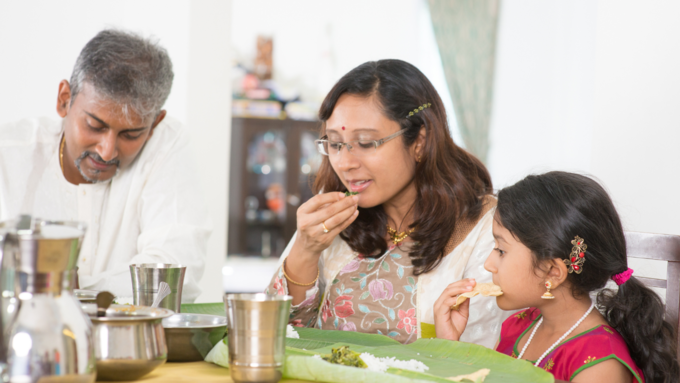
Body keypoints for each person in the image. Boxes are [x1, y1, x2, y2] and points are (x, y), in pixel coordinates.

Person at [265, 59, 507, 347]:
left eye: (366, 143)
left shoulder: (486, 228)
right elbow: (277, 335)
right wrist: (305, 250)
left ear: (419, 141)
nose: (344, 163)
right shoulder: (331, 212)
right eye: (335, 143)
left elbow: (482, 356)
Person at [0, 29, 211, 301]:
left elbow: (173, 276)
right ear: (64, 99)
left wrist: (61, 284)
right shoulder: (8, 153)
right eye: (95, 126)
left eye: (130, 135)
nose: (107, 150)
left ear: (155, 123)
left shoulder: (166, 143)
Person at [434, 171, 679, 382]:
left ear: (553, 272)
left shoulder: (600, 365)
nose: (489, 264)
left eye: (501, 250)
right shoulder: (520, 325)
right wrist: (451, 344)